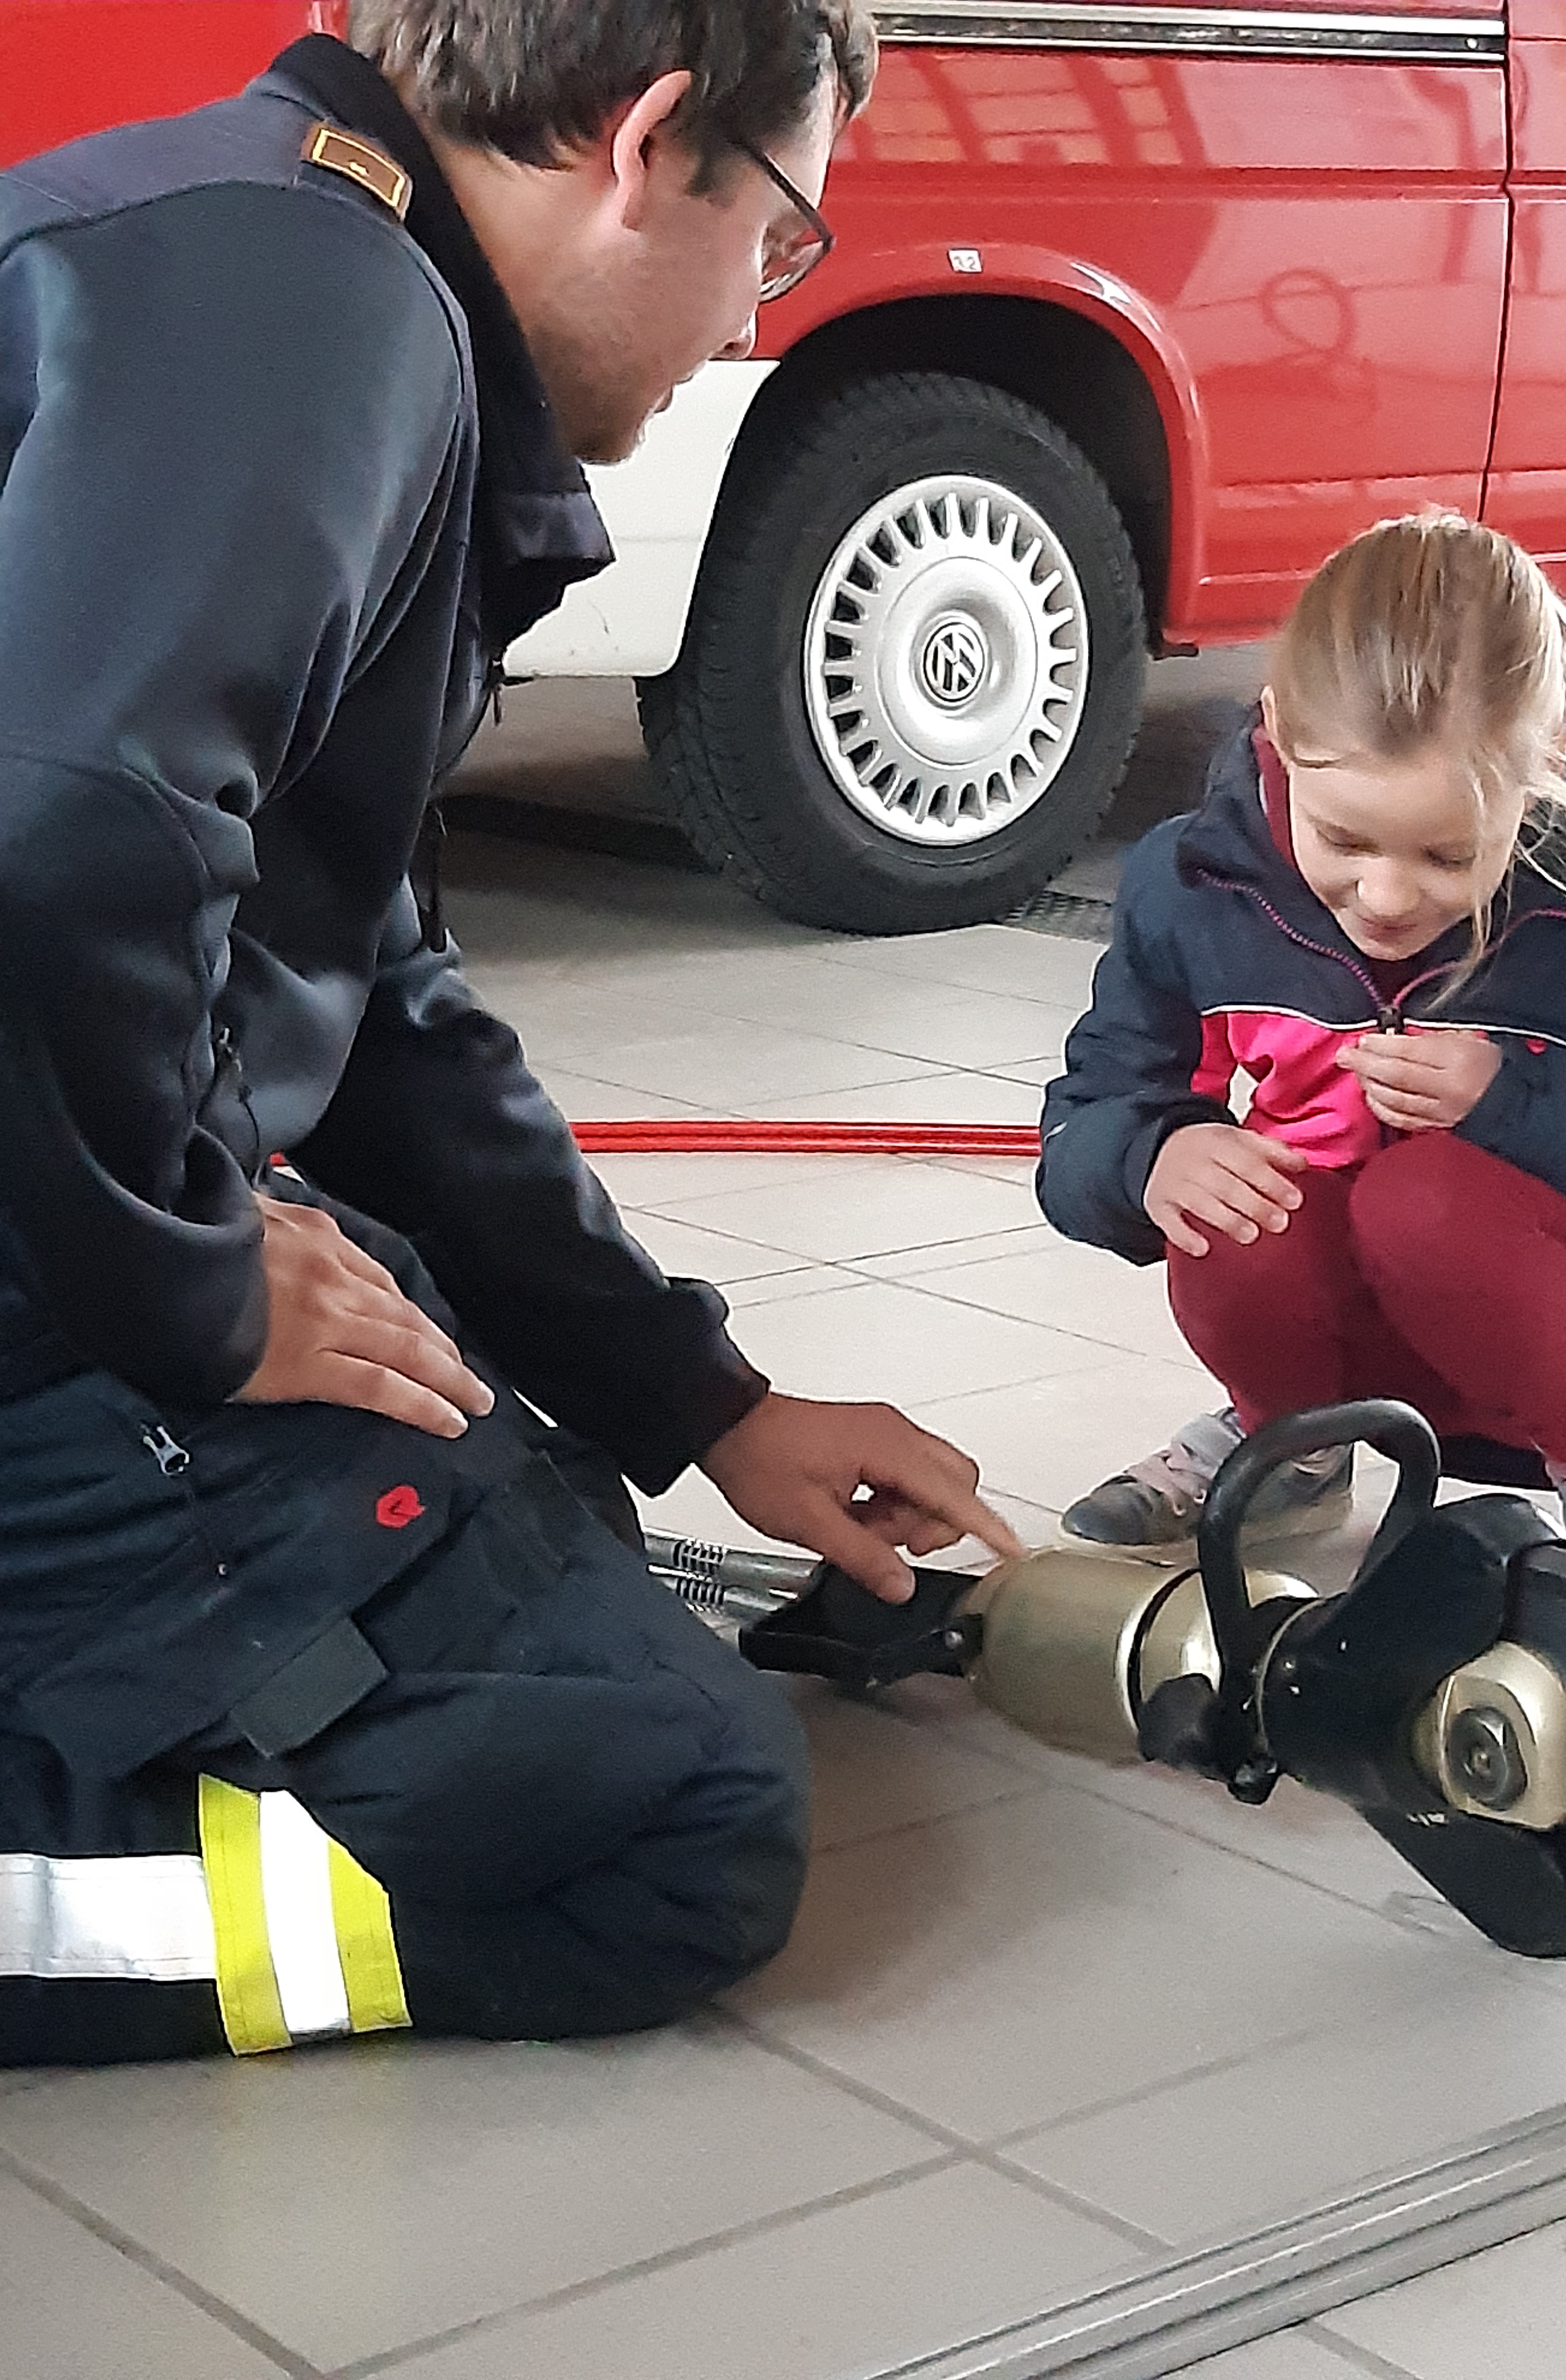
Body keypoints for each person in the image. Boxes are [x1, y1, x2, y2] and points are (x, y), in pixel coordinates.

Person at [0, 0, 1023, 2065]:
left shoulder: (246, 244)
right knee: (666, 1819)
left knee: (524, 1488)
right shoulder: (326, 310)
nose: (752, 315)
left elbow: (361, 987)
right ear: (650, 144)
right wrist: (191, 1281)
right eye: (780, 234)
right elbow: (55, 837)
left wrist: (699, 1398)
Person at [1039, 513, 1566, 1595]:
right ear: (1278, 729)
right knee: (1228, 1202)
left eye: (1449, 853)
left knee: (1426, 1197)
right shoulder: (1192, 882)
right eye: (1343, 839)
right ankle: (1289, 1440)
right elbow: (1090, 1112)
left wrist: (1517, 1100)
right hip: (1354, 1330)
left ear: (1547, 759)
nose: (1386, 898)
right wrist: (1145, 1157)